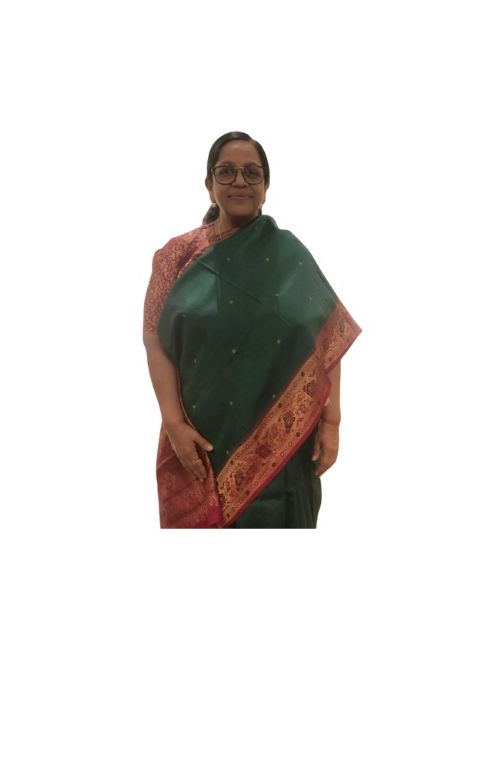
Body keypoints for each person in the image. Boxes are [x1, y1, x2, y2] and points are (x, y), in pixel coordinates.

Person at [142, 132, 360, 528]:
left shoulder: (289, 254)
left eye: (251, 172)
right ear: (209, 184)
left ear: (266, 185)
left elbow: (326, 337)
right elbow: (155, 338)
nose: (239, 181)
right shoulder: (177, 255)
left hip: (286, 447)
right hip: (201, 438)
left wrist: (332, 422)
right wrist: (174, 424)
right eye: (226, 172)